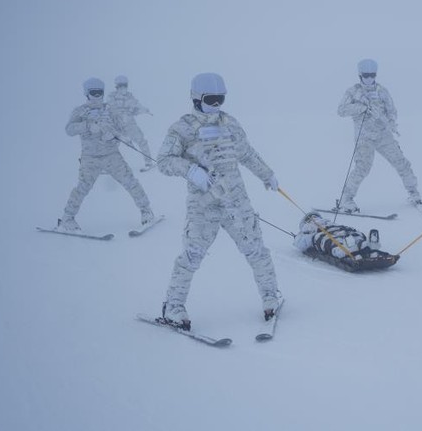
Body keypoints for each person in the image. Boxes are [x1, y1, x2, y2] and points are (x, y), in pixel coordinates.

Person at [157, 72, 280, 330]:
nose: (216, 106)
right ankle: (174, 306)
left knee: (256, 250)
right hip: (203, 206)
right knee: (192, 255)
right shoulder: (183, 127)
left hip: (236, 202)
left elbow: (247, 154)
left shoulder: (230, 124)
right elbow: (164, 160)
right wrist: (192, 171)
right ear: (196, 98)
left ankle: (271, 297)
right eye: (211, 99)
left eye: (220, 99)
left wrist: (266, 174)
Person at [58, 77, 155, 232]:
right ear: (87, 93)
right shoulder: (81, 111)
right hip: (90, 158)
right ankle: (67, 219)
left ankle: (146, 211)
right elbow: (69, 129)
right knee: (82, 188)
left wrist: (115, 135)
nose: (97, 96)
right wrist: (88, 126)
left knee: (130, 181)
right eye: (93, 93)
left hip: (112, 155)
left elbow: (122, 128)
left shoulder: (110, 110)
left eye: (100, 93)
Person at [335, 58, 422, 212]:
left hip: (383, 135)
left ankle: (413, 193)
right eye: (366, 75)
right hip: (364, 138)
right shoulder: (353, 92)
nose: (369, 78)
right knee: (362, 168)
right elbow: (341, 110)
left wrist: (389, 121)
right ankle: (346, 199)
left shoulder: (382, 91)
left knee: (401, 162)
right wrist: (361, 108)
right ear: (360, 75)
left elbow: (392, 111)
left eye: (372, 75)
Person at [107, 75, 154, 170]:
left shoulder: (130, 96)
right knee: (111, 144)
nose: (123, 87)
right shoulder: (112, 96)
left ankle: (149, 163)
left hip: (129, 124)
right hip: (117, 124)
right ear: (117, 86)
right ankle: (107, 166)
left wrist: (144, 110)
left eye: (125, 85)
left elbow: (135, 108)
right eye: (121, 85)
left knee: (141, 141)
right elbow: (111, 109)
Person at [294, 212, 382, 259]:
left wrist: (298, 238)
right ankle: (367, 245)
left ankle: (348, 248)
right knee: (350, 235)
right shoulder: (327, 222)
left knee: (330, 242)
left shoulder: (307, 227)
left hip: (329, 233)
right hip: (340, 230)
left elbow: (301, 244)